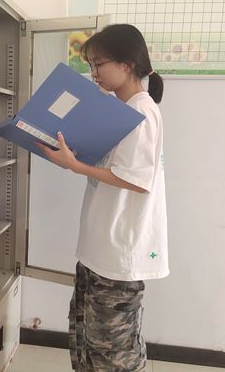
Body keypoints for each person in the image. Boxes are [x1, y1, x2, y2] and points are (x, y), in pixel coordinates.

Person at [35, 23, 168, 371]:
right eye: (90, 65)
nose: (93, 73)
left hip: (119, 254)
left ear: (126, 64)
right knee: (86, 342)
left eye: (98, 64)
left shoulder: (141, 111)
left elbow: (137, 181)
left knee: (112, 352)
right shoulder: (118, 110)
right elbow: (111, 169)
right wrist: (73, 159)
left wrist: (75, 166)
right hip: (99, 248)